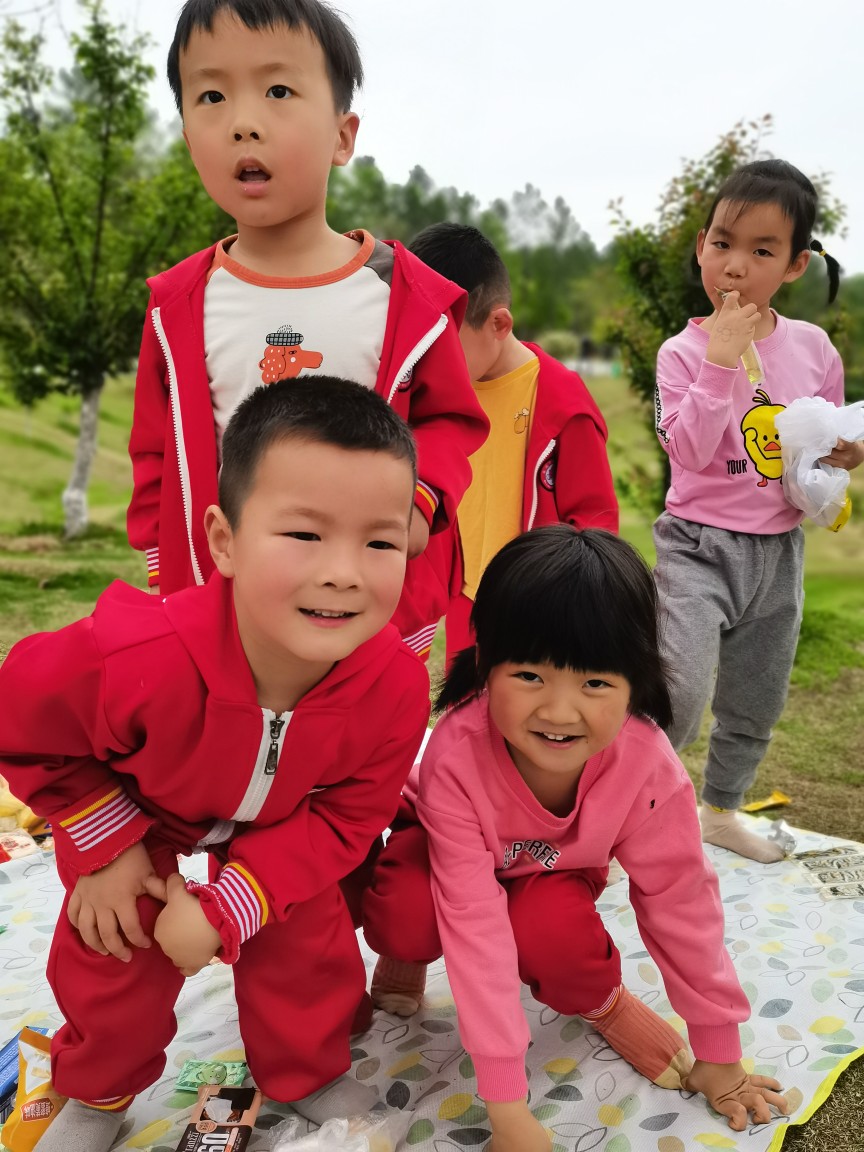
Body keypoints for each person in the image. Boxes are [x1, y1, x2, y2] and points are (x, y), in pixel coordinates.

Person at [0, 378, 431, 1152]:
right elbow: (23, 715)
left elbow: (348, 817)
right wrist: (107, 846)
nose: (344, 571)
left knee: (309, 949)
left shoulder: (394, 685)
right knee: (113, 949)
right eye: (304, 535)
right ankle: (97, 1091)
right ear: (224, 541)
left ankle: (308, 1072)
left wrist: (227, 904)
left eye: (379, 542)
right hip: (141, 821)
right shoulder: (135, 654)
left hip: (282, 834)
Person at [363, 526, 787, 1152]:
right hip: (443, 862)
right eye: (529, 675)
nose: (560, 712)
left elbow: (681, 904)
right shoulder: (457, 753)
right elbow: (474, 921)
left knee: (556, 938)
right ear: (484, 665)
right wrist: (507, 1109)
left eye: (595, 683)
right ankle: (407, 956)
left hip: (553, 872)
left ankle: (606, 1005)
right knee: (407, 912)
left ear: (637, 679)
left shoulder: (646, 766)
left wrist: (719, 1054)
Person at [126, 0, 487, 660]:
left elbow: (450, 420)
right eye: (211, 96)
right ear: (188, 139)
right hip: (221, 615)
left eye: (278, 90)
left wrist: (418, 504)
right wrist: (166, 566)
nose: (243, 123)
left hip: (366, 610)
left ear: (342, 138)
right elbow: (156, 451)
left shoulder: (407, 298)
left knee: (364, 729)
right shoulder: (176, 306)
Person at [653, 159, 864, 863]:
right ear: (701, 247)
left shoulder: (813, 348)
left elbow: (819, 443)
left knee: (757, 695)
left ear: (796, 264)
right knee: (677, 693)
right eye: (722, 242)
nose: (735, 265)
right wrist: (719, 362)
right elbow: (688, 451)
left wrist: (842, 456)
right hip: (697, 547)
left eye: (762, 250)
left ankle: (720, 810)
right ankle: (629, 808)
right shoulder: (682, 353)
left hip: (777, 552)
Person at [408, 223, 618, 663]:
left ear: (499, 323)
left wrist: (573, 606)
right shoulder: (434, 401)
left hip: (542, 606)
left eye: (443, 348)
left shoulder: (563, 403)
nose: (430, 364)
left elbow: (596, 523)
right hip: (467, 601)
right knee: (469, 701)